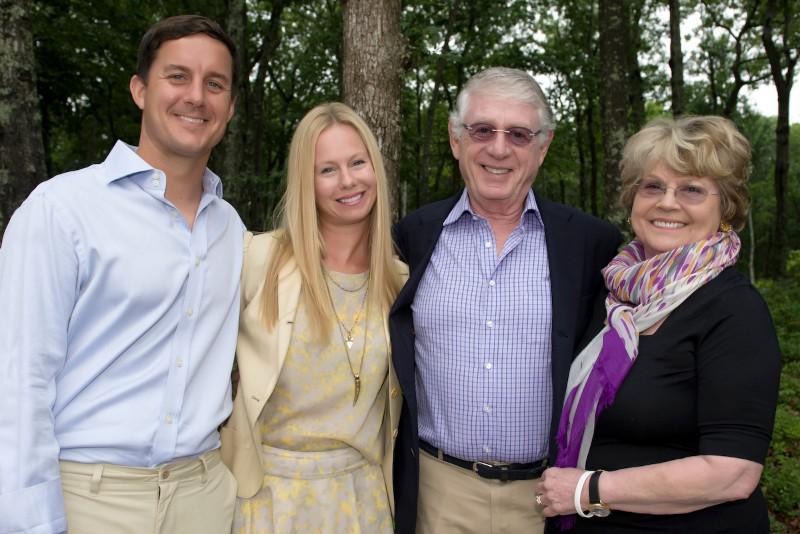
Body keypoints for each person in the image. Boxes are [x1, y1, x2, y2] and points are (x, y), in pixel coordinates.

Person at [0, 15, 243, 534]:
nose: (196, 96)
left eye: (214, 84)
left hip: (205, 496)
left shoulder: (231, 228)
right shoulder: (62, 210)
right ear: (139, 89)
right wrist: (31, 523)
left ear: (230, 106)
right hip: (90, 499)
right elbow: (19, 384)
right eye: (177, 77)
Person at [388, 67, 623, 534]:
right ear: (457, 140)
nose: (498, 148)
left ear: (543, 146)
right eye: (482, 130)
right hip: (438, 494)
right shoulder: (412, 237)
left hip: (550, 497)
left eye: (518, 134)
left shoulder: (591, 245)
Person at [536, 115, 781, 533]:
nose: (668, 203)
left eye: (692, 189)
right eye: (653, 186)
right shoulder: (612, 296)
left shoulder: (734, 309)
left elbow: (733, 472)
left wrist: (591, 489)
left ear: (725, 208)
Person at [220, 102, 407, 533]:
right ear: (307, 180)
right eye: (328, 169)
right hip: (267, 500)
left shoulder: (398, 280)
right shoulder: (259, 260)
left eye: (358, 162)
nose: (348, 180)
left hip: (363, 503)